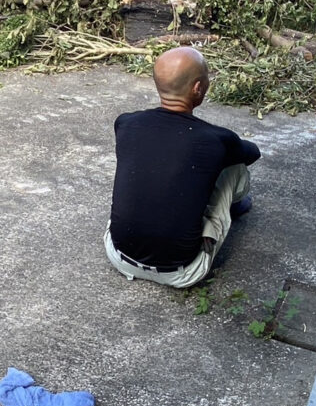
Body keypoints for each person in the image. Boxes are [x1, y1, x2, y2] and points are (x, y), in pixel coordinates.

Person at [104, 46, 261, 288]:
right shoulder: (216, 139)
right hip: (183, 272)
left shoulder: (126, 123)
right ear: (198, 88)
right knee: (234, 168)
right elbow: (252, 154)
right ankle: (235, 207)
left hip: (119, 256)